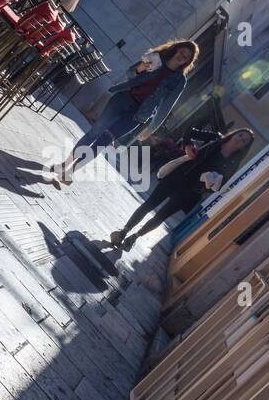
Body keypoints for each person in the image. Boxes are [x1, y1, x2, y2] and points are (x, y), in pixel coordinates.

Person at [48, 39, 199, 186]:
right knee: (95, 132)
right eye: (182, 52)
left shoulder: (179, 80)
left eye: (186, 57)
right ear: (176, 49)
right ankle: (65, 164)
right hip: (123, 98)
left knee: (103, 141)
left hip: (137, 115)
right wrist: (140, 68)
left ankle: (70, 172)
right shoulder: (157, 58)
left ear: (187, 62)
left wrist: (151, 129)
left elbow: (166, 106)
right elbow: (130, 73)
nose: (182, 57)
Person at [109, 127, 255, 250]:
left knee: (161, 216)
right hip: (179, 175)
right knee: (149, 204)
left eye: (244, 141)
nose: (240, 139)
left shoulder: (232, 163)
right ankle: (124, 231)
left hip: (191, 191)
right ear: (235, 133)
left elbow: (220, 186)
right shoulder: (214, 138)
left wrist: (210, 183)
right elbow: (189, 131)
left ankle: (134, 237)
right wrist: (188, 148)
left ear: (244, 147)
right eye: (241, 135)